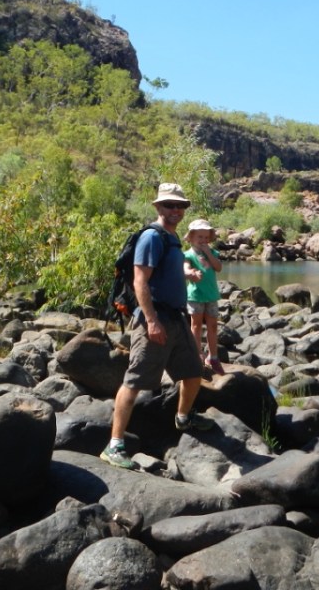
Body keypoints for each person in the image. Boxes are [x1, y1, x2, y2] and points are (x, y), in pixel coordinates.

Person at [100, 182, 215, 470]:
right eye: (169, 205)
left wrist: (187, 275)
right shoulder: (152, 237)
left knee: (193, 372)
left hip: (176, 317)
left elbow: (168, 273)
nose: (175, 210)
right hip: (155, 318)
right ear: (158, 207)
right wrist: (151, 321)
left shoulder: (173, 239)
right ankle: (114, 445)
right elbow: (140, 281)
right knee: (135, 380)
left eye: (180, 206)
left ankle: (183, 417)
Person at [184, 218, 225, 375]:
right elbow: (185, 268)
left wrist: (208, 252)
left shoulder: (212, 252)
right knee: (196, 326)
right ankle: (198, 354)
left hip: (211, 295)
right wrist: (191, 273)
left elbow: (218, 267)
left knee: (213, 326)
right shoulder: (188, 254)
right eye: (200, 237)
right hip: (195, 296)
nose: (203, 240)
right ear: (192, 237)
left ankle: (213, 356)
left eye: (206, 237)